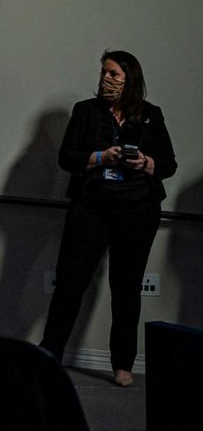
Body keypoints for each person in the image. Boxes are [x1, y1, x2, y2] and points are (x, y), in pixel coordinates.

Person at [39, 50, 176, 388]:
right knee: (70, 283)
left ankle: (122, 364)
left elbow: (168, 163)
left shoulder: (151, 115)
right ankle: (50, 354)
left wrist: (144, 162)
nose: (106, 79)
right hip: (90, 207)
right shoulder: (85, 111)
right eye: (103, 72)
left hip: (137, 210)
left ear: (130, 78)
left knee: (126, 288)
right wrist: (100, 156)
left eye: (113, 74)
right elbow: (67, 157)